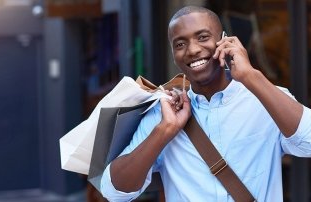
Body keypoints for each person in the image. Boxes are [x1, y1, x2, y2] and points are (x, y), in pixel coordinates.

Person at [100, 6, 311, 201]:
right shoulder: (163, 114)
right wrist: (165, 131)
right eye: (180, 44)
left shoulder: (266, 98)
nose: (192, 50)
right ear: (174, 56)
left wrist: (250, 76)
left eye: (202, 37)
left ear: (224, 41)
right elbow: (114, 192)